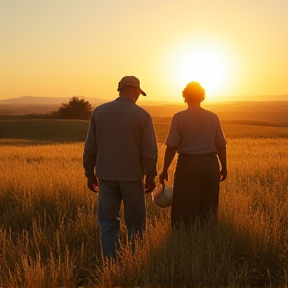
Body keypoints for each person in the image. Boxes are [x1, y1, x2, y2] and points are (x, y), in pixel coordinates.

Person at [83, 76, 158, 259]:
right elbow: (149, 150)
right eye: (139, 93)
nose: (139, 97)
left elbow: (90, 147)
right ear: (134, 90)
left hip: (106, 177)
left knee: (108, 224)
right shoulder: (142, 115)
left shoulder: (99, 112)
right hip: (132, 178)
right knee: (135, 224)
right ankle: (134, 260)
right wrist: (150, 175)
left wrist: (89, 173)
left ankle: (110, 264)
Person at [159, 81, 227, 227]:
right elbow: (221, 145)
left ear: (185, 97)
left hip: (187, 164)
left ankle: (185, 233)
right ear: (202, 97)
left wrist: (164, 169)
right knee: (209, 202)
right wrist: (224, 167)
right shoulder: (213, 117)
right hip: (211, 163)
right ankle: (207, 232)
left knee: (184, 202)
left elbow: (171, 147)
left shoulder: (179, 117)